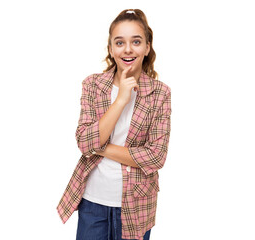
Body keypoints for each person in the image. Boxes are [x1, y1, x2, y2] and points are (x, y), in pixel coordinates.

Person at [57, 9, 172, 240]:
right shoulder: (92, 85)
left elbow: (156, 156)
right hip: (92, 202)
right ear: (111, 48)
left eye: (136, 42)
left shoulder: (160, 93)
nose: (127, 49)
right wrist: (120, 100)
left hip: (137, 204)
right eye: (120, 42)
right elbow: (83, 141)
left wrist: (100, 146)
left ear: (147, 47)